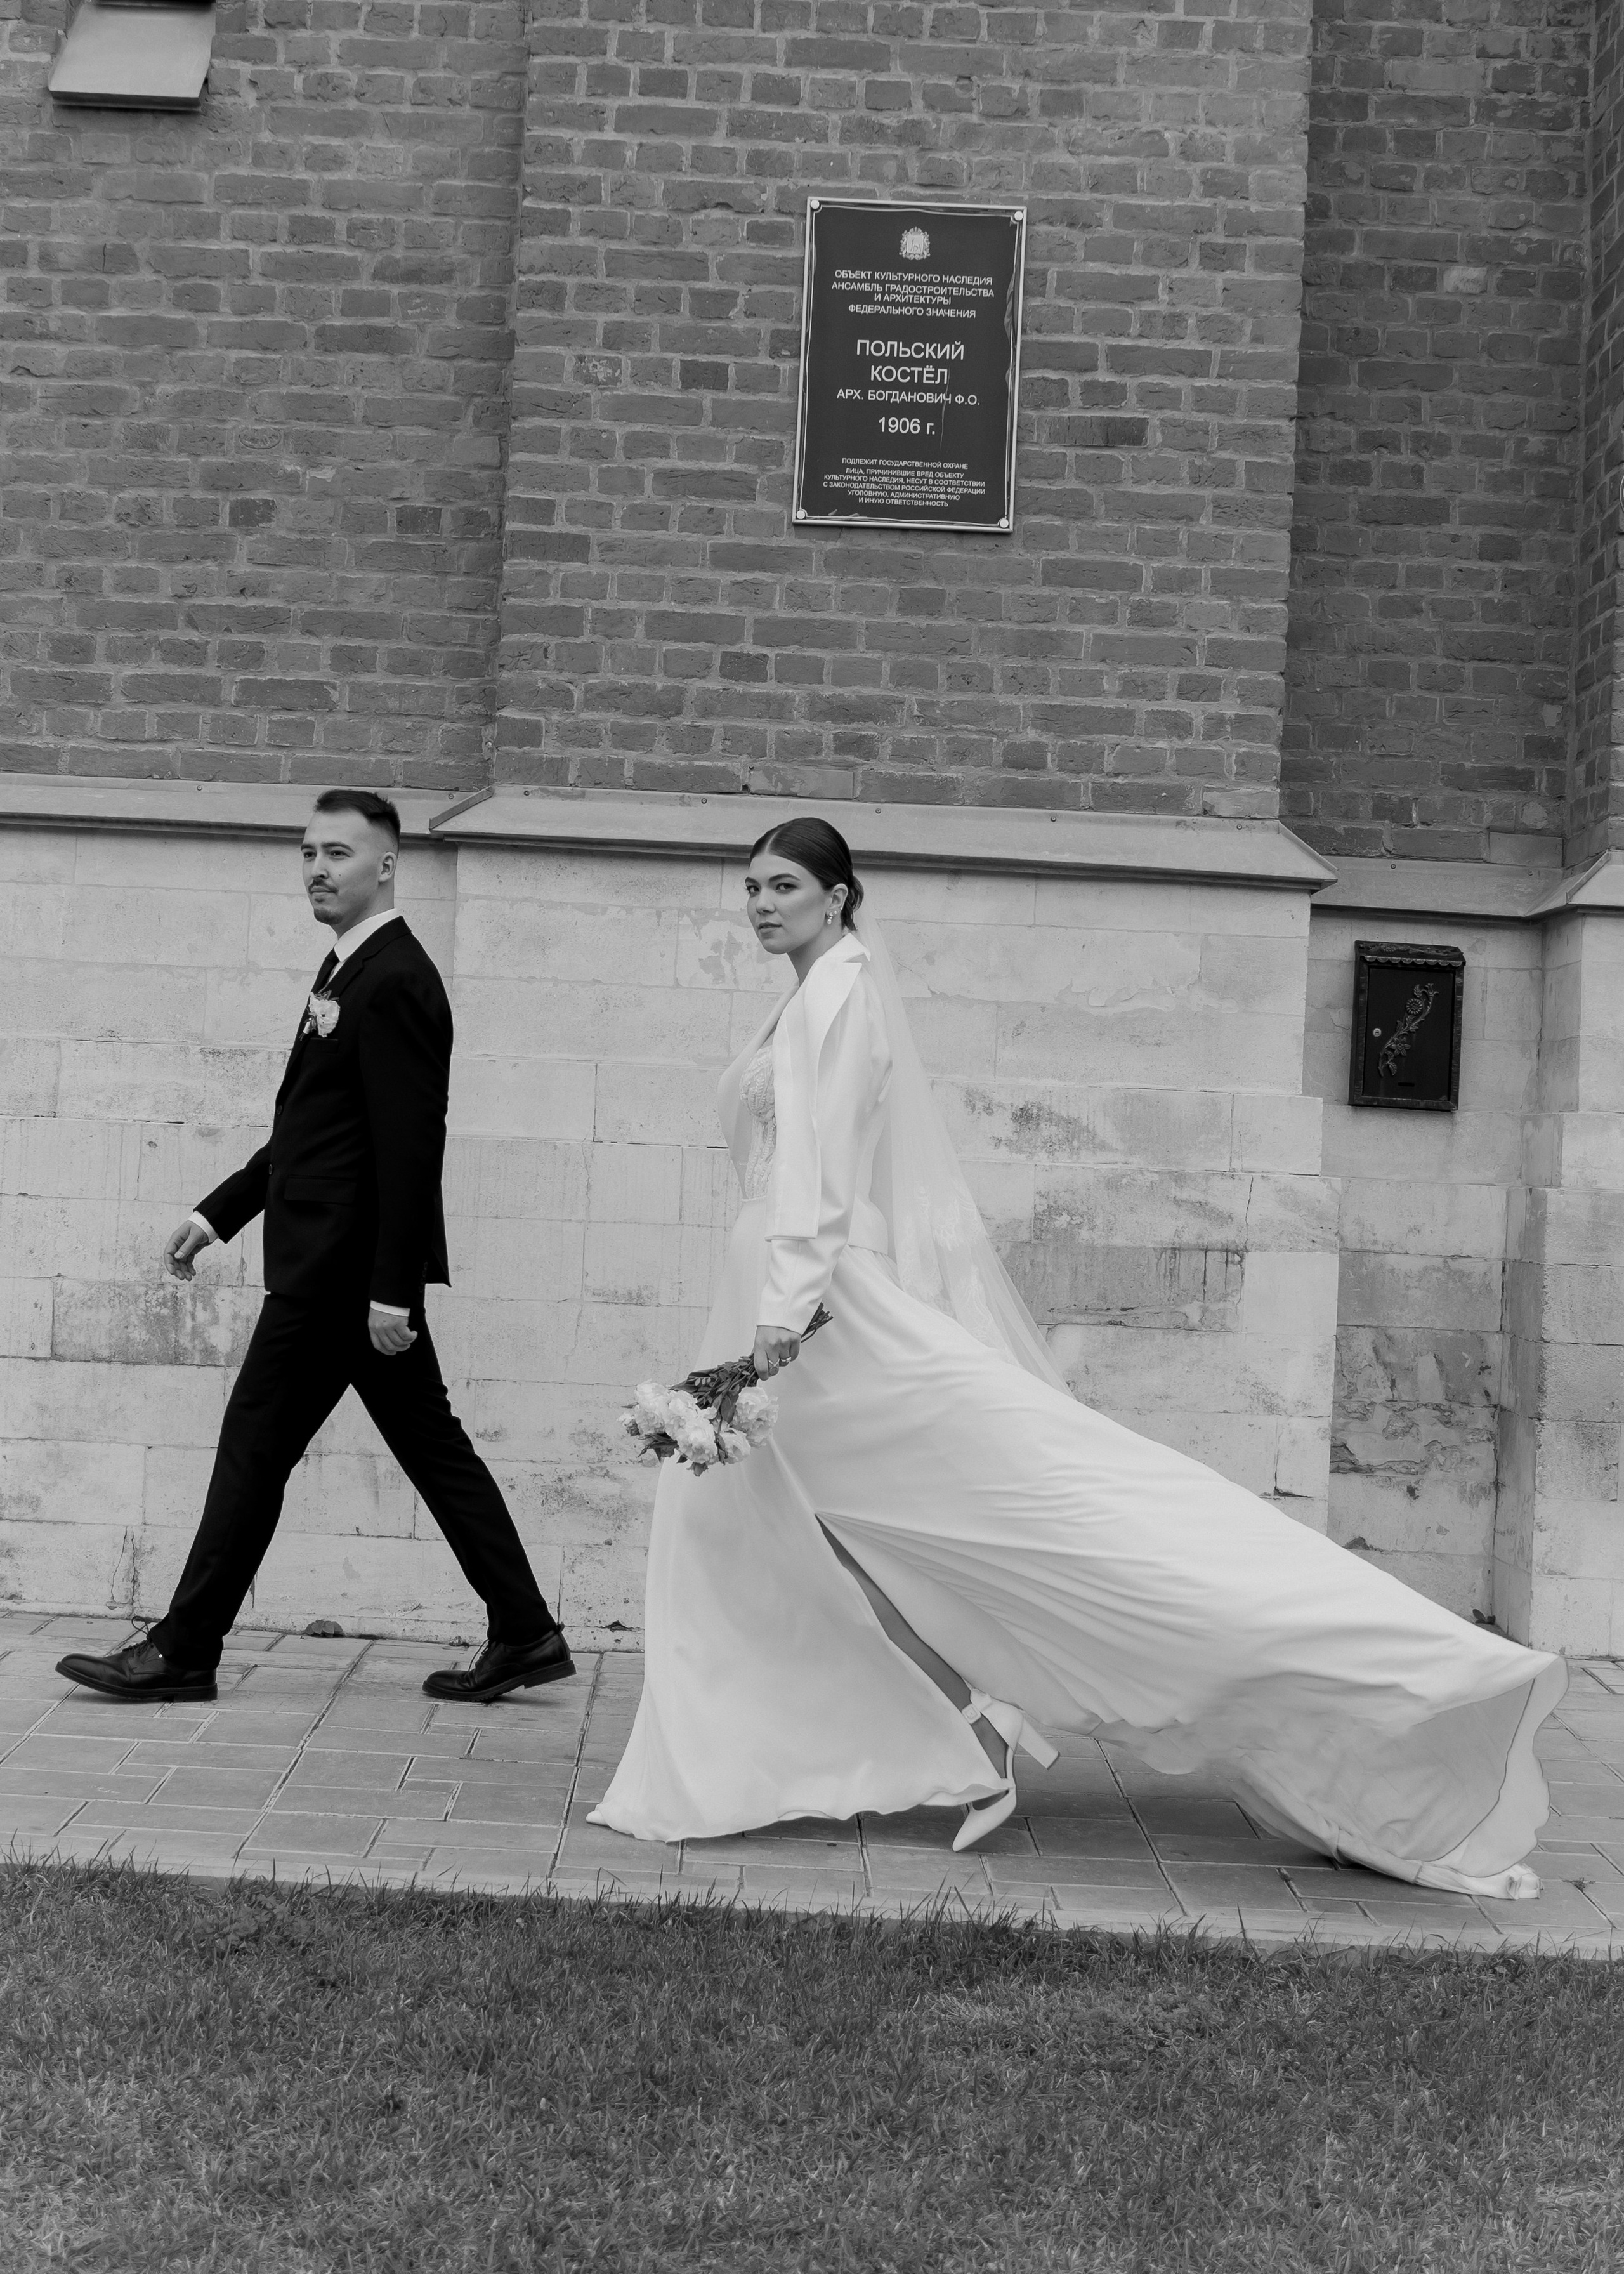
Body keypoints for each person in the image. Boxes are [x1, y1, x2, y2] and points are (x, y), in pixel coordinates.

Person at [592, 817, 1564, 1896]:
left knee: (1007, 1501)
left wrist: (781, 1316)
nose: (761, 905)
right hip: (792, 1300)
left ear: (838, 896)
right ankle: (953, 1727)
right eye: (750, 888)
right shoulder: (814, 989)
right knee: (825, 1529)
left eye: (783, 886)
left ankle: (1370, 1665)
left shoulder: (837, 992)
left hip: (817, 1313)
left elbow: (820, 1172)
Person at [56, 789, 572, 1708]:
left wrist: (391, 1292)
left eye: (337, 854)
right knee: (433, 1451)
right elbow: (313, 1132)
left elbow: (411, 1150)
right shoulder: (347, 971)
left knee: (254, 1447)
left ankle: (184, 1650)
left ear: (386, 865)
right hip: (335, 1265)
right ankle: (526, 1629)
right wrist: (219, 1213)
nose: (317, 870)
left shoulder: (398, 978)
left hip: (341, 1276)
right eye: (306, 854)